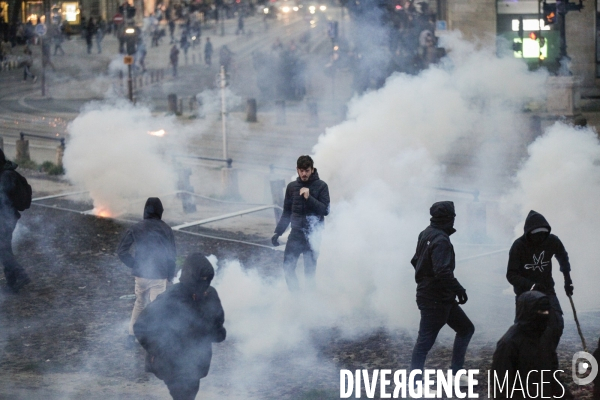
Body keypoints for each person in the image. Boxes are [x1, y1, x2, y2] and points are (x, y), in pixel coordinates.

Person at [134, 253, 226, 400]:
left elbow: (218, 328)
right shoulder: (171, 298)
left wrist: (212, 331)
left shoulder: (210, 295)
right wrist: (157, 350)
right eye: (200, 281)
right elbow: (141, 326)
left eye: (207, 281)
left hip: (196, 362)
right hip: (172, 363)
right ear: (190, 278)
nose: (204, 286)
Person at [409, 201, 474, 385]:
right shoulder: (441, 240)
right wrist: (459, 289)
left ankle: (455, 374)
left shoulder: (425, 234)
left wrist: (425, 278)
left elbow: (415, 261)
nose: (454, 222)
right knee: (424, 342)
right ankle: (415, 382)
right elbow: (442, 271)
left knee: (466, 328)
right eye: (453, 218)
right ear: (449, 218)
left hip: (437, 296)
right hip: (436, 298)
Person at [507, 210, 572, 374]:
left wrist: (567, 279)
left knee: (556, 323)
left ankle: (548, 357)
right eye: (537, 234)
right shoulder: (519, 246)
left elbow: (562, 256)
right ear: (529, 233)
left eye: (544, 234)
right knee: (524, 330)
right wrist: (531, 286)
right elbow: (511, 274)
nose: (540, 238)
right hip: (525, 296)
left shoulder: (552, 241)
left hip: (547, 291)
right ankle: (521, 365)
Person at [117, 197, 176, 345]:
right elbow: (171, 256)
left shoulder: (136, 227)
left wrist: (135, 265)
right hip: (159, 275)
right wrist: (170, 274)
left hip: (141, 275)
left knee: (139, 303)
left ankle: (131, 336)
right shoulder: (166, 229)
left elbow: (121, 251)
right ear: (160, 211)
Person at [271, 155, 330, 291]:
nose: (304, 174)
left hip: (313, 236)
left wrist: (309, 198)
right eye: (301, 170)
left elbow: (325, 210)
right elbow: (287, 212)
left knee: (309, 273)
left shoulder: (321, 186)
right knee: (288, 268)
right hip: (296, 234)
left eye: (307, 170)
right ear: (297, 170)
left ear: (312, 170)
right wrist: (278, 232)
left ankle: (310, 303)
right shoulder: (292, 187)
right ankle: (297, 299)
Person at [491, 291, 553, 399]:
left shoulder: (545, 335)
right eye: (540, 310)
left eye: (546, 310)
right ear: (528, 311)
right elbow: (501, 388)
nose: (545, 314)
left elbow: (552, 371)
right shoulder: (508, 344)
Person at [0, 148, 31, 293]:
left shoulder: (6, 176)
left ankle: (20, 277)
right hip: (6, 217)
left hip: (5, 218)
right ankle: (13, 282)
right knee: (4, 250)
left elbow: (3, 200)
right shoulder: (6, 173)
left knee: (3, 250)